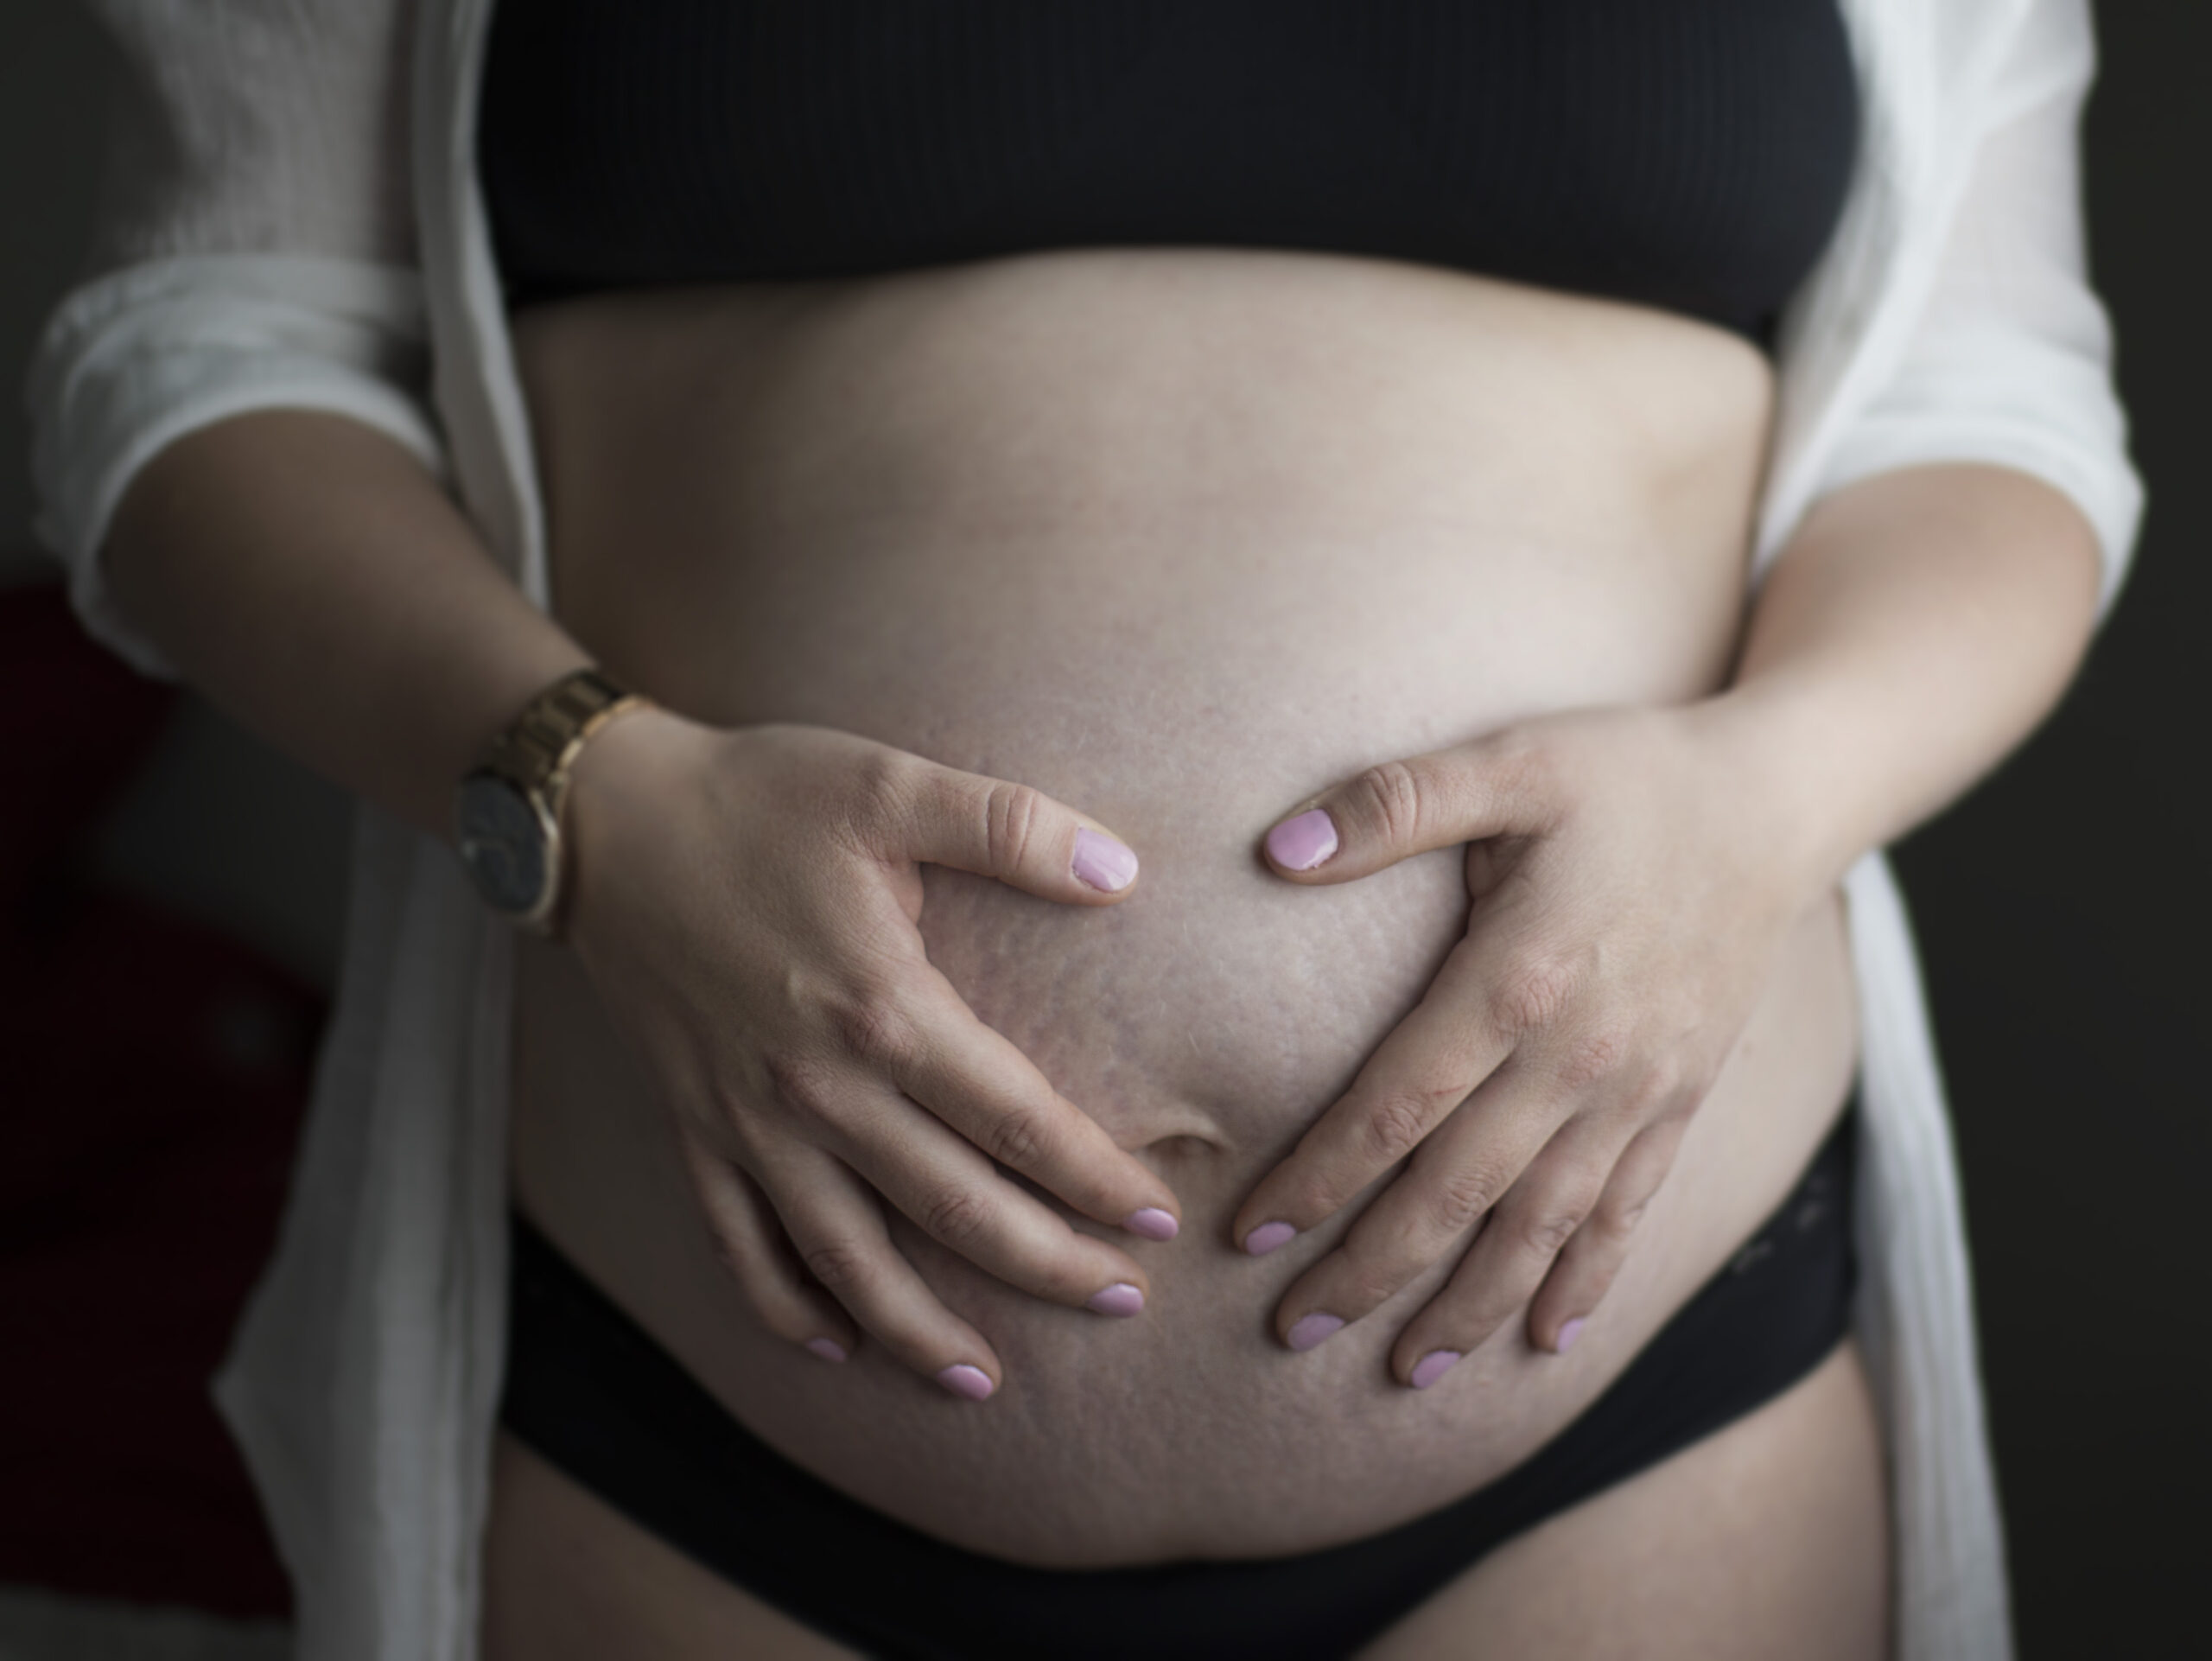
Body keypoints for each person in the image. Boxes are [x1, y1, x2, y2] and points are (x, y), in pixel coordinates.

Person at [28, 1, 2138, 1657]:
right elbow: (198, 374)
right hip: (705, 1390)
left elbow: (1992, 421)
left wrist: (1760, 804)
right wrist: (597, 803)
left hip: (1632, 1415)